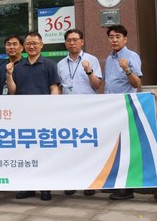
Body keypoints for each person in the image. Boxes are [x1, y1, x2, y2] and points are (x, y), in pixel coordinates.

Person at [7, 31, 60, 201]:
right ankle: (28, 187)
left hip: (43, 115)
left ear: (41, 45)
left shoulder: (49, 64)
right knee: (25, 151)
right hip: (23, 115)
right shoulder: (18, 66)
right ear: (24, 47)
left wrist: (52, 107)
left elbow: (54, 88)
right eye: (28, 43)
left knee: (43, 152)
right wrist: (9, 74)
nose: (31, 46)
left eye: (35, 43)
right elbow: (13, 91)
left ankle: (45, 188)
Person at [57, 28, 102, 197]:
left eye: (75, 40)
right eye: (69, 40)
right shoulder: (60, 64)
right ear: (65, 43)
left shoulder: (92, 60)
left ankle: (89, 183)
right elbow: (60, 88)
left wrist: (89, 70)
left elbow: (97, 85)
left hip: (88, 110)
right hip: (68, 111)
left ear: (82, 42)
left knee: (87, 147)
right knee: (70, 148)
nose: (72, 43)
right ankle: (72, 181)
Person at [103, 24, 143, 200]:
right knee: (113, 147)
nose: (114, 40)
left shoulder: (132, 56)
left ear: (125, 39)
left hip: (125, 108)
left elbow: (137, 84)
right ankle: (116, 183)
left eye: (118, 37)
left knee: (126, 147)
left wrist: (127, 69)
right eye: (111, 37)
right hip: (110, 109)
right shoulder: (109, 59)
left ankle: (127, 188)